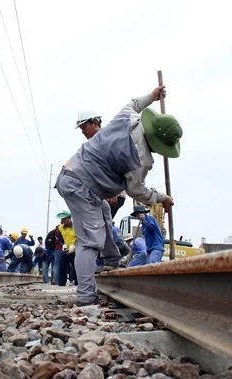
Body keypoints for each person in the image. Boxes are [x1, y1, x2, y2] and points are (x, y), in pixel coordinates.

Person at [56, 86, 179, 306]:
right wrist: (163, 198)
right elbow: (137, 191)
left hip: (75, 178)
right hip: (81, 185)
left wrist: (152, 96)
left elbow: (134, 103)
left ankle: (112, 259)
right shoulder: (140, 160)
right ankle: (85, 296)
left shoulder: (128, 117)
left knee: (104, 212)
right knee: (89, 241)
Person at [76, 109, 127, 218]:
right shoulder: (92, 144)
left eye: (84, 128)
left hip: (111, 194)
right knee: (96, 228)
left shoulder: (107, 139)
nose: (83, 132)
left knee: (99, 228)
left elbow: (119, 162)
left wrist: (113, 191)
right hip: (100, 193)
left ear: (95, 123)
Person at [55, 211, 77, 286]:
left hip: (75, 250)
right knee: (62, 267)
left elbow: (81, 238)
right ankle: (61, 284)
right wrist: (63, 244)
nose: (62, 221)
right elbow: (60, 238)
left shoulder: (76, 227)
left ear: (69, 219)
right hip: (65, 249)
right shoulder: (60, 227)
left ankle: (77, 284)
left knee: (76, 267)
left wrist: (74, 245)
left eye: (64, 219)